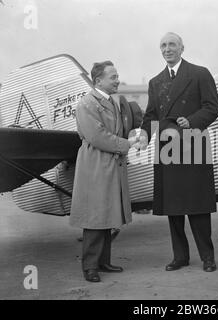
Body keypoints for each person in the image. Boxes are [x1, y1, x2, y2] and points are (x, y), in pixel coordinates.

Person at [137, 32, 218, 272]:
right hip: (166, 146)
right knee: (173, 205)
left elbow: (213, 107)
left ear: (182, 47)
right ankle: (180, 256)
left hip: (193, 142)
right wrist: (143, 135)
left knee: (198, 203)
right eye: (162, 45)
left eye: (172, 44)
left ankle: (207, 257)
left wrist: (192, 121)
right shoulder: (155, 81)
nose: (167, 49)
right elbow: (151, 115)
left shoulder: (200, 73)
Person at [70, 61, 136, 282]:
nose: (118, 80)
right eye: (113, 77)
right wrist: (127, 144)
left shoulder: (109, 101)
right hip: (96, 165)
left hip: (108, 164)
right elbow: (97, 137)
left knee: (107, 214)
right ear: (98, 81)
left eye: (117, 76)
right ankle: (90, 266)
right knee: (95, 216)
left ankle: (103, 262)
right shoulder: (87, 103)